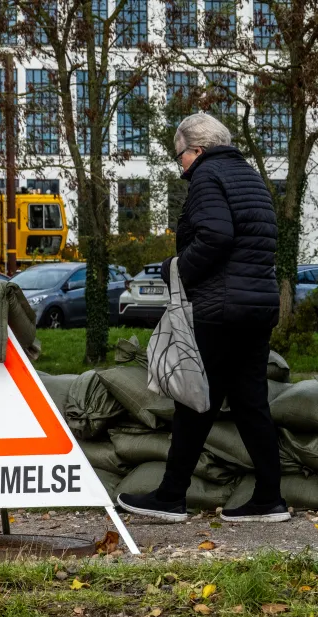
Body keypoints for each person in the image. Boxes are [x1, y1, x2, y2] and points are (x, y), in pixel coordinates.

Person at [117, 113, 287, 523]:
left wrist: (176, 268)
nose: (181, 168)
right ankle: (269, 498)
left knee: (193, 400)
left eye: (181, 158)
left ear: (196, 150)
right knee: (250, 402)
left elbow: (216, 235)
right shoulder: (249, 178)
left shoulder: (208, 178)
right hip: (258, 305)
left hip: (221, 308)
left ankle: (171, 497)